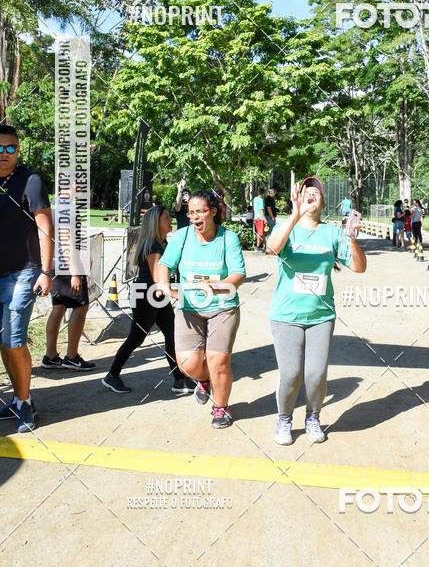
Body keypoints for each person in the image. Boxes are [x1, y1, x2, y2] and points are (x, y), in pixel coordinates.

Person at [267, 176, 366, 445]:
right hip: (286, 315)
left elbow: (358, 267)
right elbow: (272, 247)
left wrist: (352, 239)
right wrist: (294, 214)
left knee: (315, 374)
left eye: (316, 192)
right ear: (298, 197)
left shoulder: (333, 233)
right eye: (305, 191)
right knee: (290, 374)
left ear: (323, 202)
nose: (311, 194)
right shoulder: (287, 227)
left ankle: (313, 417)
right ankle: (284, 419)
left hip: (321, 316)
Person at [0, 125, 53, 433]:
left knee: (13, 340)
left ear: (18, 150)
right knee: (1, 342)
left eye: (10, 148)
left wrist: (46, 271)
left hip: (24, 272)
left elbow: (44, 226)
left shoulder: (31, 180)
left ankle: (25, 404)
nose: (4, 154)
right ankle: (17, 398)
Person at [157, 190, 246, 429]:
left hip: (222, 307)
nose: (194, 216)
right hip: (189, 307)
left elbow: (239, 275)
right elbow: (165, 263)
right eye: (191, 212)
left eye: (200, 211)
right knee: (188, 364)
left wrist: (215, 287)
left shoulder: (228, 238)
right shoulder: (182, 237)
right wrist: (164, 284)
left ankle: (221, 408)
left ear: (213, 212)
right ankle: (204, 380)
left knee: (218, 360)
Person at [102, 204, 195, 394]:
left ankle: (179, 379)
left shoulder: (161, 243)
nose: (171, 220)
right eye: (167, 218)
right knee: (136, 338)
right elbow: (158, 281)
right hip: (146, 294)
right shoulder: (153, 245)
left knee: (171, 334)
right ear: (156, 223)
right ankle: (112, 376)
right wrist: (184, 296)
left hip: (154, 294)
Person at [42, 186, 95, 371]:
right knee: (81, 307)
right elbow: (67, 242)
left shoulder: (52, 205)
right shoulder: (69, 209)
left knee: (58, 307)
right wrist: (75, 272)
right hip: (68, 266)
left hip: (55, 265)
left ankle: (50, 356)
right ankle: (72, 356)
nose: (81, 187)